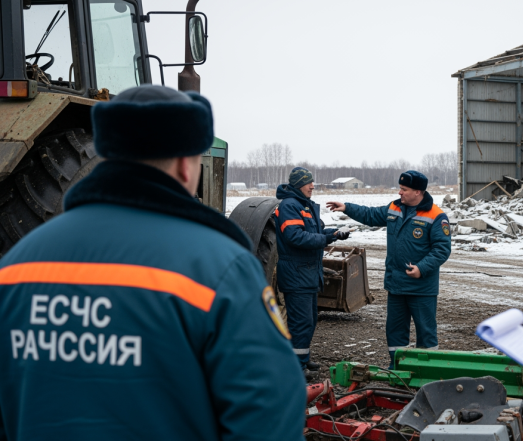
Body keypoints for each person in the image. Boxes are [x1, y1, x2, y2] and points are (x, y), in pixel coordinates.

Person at [0, 85, 306, 440]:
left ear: (107, 150)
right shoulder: (222, 270)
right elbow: (270, 421)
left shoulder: (16, 267)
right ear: (183, 164)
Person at [327, 171, 451, 368]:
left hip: (421, 288)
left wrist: (421, 268)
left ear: (418, 192)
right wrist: (347, 208)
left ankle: (427, 371)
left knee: (426, 331)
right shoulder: (394, 208)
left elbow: (442, 249)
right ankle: (398, 368)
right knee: (394, 330)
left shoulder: (436, 216)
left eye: (404, 189)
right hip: (396, 285)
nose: (399, 192)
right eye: (400, 188)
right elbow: (371, 214)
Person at [275, 167, 349, 379]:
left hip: (307, 274)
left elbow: (314, 233)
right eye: (308, 183)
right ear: (298, 184)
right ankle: (295, 367)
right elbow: (296, 237)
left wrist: (334, 234)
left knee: (309, 320)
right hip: (296, 274)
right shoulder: (290, 206)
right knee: (301, 322)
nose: (313, 186)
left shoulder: (304, 206)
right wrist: (326, 239)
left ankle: (303, 358)